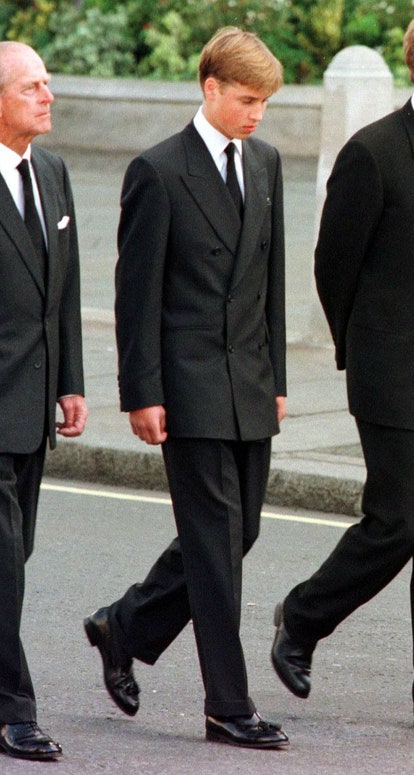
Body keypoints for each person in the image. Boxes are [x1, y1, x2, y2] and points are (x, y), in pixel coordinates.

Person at [270, 3, 414, 736]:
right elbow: (331, 265)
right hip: (393, 374)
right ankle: (302, 616)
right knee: (403, 517)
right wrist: (364, 352)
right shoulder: (372, 152)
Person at [83, 27, 288, 749]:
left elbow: (271, 280)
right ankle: (226, 706)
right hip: (187, 384)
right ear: (209, 88)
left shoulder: (265, 163)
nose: (255, 113)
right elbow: (135, 294)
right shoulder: (158, 170)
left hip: (250, 383)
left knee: (242, 532)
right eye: (244, 99)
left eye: (263, 101)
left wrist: (279, 381)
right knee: (211, 546)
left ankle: (125, 624)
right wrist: (141, 391)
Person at [0, 42, 87, 761]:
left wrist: (71, 381)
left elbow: (66, 292)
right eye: (31, 86)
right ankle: (14, 709)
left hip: (31, 409)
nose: (47, 96)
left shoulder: (51, 173)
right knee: (2, 560)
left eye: (48, 84)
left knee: (14, 553)